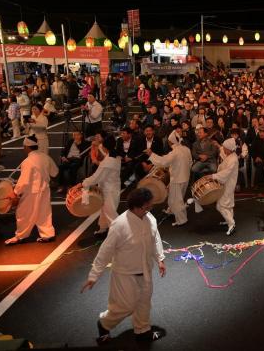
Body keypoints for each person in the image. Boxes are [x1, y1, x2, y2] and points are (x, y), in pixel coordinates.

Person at [80, 188, 167, 344]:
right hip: (125, 274)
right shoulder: (119, 225)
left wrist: (160, 259)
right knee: (125, 306)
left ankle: (142, 331)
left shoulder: (150, 218)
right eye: (147, 207)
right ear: (137, 207)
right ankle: (104, 324)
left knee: (144, 302)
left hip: (145, 270)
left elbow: (155, 239)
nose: (150, 209)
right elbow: (105, 251)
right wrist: (94, 275)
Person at [5, 135, 59, 245]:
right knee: (44, 213)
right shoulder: (45, 157)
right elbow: (55, 172)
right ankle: (48, 234)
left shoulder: (27, 161)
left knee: (23, 213)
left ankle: (21, 236)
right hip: (45, 190)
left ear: (27, 147)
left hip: (32, 192)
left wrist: (15, 192)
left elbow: (24, 181)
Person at [146, 130, 192, 227]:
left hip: (177, 178)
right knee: (177, 197)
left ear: (170, 142)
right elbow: (190, 162)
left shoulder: (175, 152)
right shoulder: (186, 149)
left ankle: (182, 220)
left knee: (175, 200)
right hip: (185, 177)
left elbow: (163, 162)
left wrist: (151, 154)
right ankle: (171, 211)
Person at [82, 135, 122, 236]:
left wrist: (84, 182)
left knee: (110, 212)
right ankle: (103, 228)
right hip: (112, 187)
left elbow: (96, 177)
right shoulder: (115, 155)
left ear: (105, 147)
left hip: (109, 189)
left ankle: (121, 235)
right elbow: (104, 152)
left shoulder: (108, 162)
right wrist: (99, 145)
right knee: (105, 209)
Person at [208, 138, 239, 235]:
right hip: (227, 183)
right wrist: (218, 146)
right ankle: (229, 219)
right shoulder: (231, 155)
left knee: (221, 205)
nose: (223, 150)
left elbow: (225, 173)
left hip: (228, 183)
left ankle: (231, 224)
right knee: (228, 203)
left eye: (225, 148)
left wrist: (213, 176)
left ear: (229, 149)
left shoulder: (232, 159)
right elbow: (222, 150)